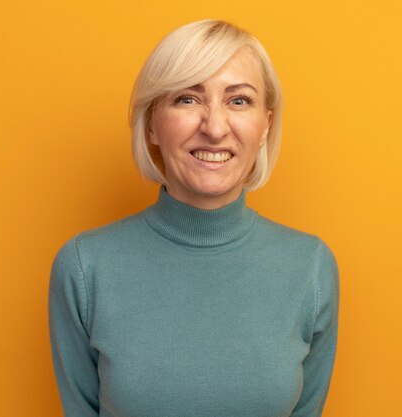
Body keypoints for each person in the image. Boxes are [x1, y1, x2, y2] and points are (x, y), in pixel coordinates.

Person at [48, 19, 339, 417]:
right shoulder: (85, 268)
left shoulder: (311, 268)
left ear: (266, 124)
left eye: (238, 100)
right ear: (151, 123)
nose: (215, 128)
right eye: (187, 99)